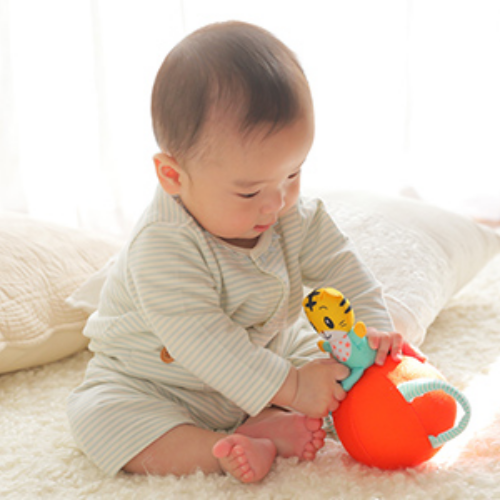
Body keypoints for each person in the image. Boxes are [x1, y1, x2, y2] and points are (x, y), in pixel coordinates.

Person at [67, 21, 423, 483]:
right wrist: (294, 387)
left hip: (264, 358)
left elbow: (344, 269)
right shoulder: (162, 245)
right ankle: (217, 449)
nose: (276, 203)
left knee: (329, 363)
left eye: (292, 174)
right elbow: (203, 340)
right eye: (250, 191)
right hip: (156, 381)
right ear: (173, 176)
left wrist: (373, 333)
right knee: (99, 417)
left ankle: (266, 420)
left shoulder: (294, 215)